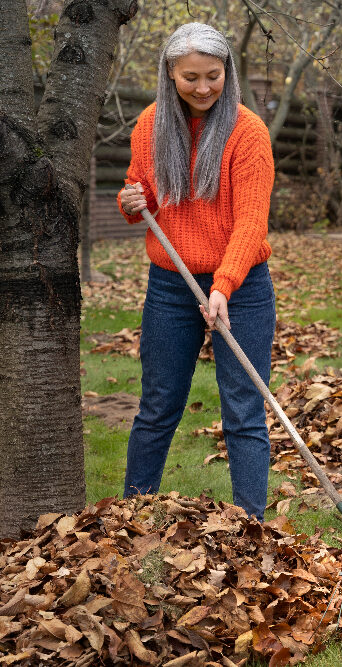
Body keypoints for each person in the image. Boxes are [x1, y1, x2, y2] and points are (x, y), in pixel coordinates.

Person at [117, 23, 276, 520]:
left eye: (213, 75)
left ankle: (252, 528)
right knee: (158, 406)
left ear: (227, 71)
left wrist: (224, 285)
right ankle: (129, 517)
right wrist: (129, 201)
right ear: (170, 73)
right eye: (191, 77)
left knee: (245, 412)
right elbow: (137, 190)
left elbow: (251, 221)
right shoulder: (149, 125)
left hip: (242, 286)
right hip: (170, 284)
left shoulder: (247, 132)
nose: (204, 88)